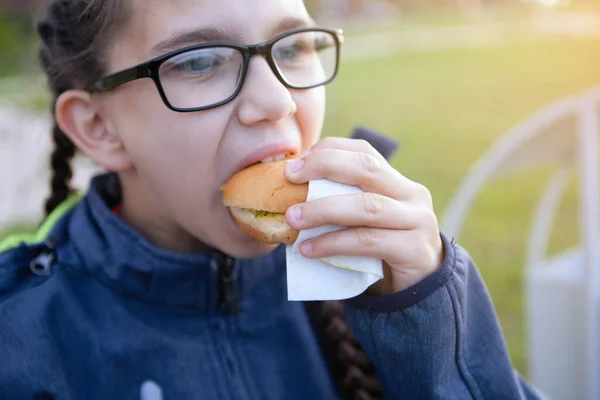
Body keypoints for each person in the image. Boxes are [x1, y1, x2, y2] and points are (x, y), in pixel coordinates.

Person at [0, 0, 546, 399]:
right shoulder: (19, 344)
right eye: (198, 61)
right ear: (99, 126)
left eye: (292, 47)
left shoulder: (379, 283)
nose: (276, 101)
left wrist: (430, 328)